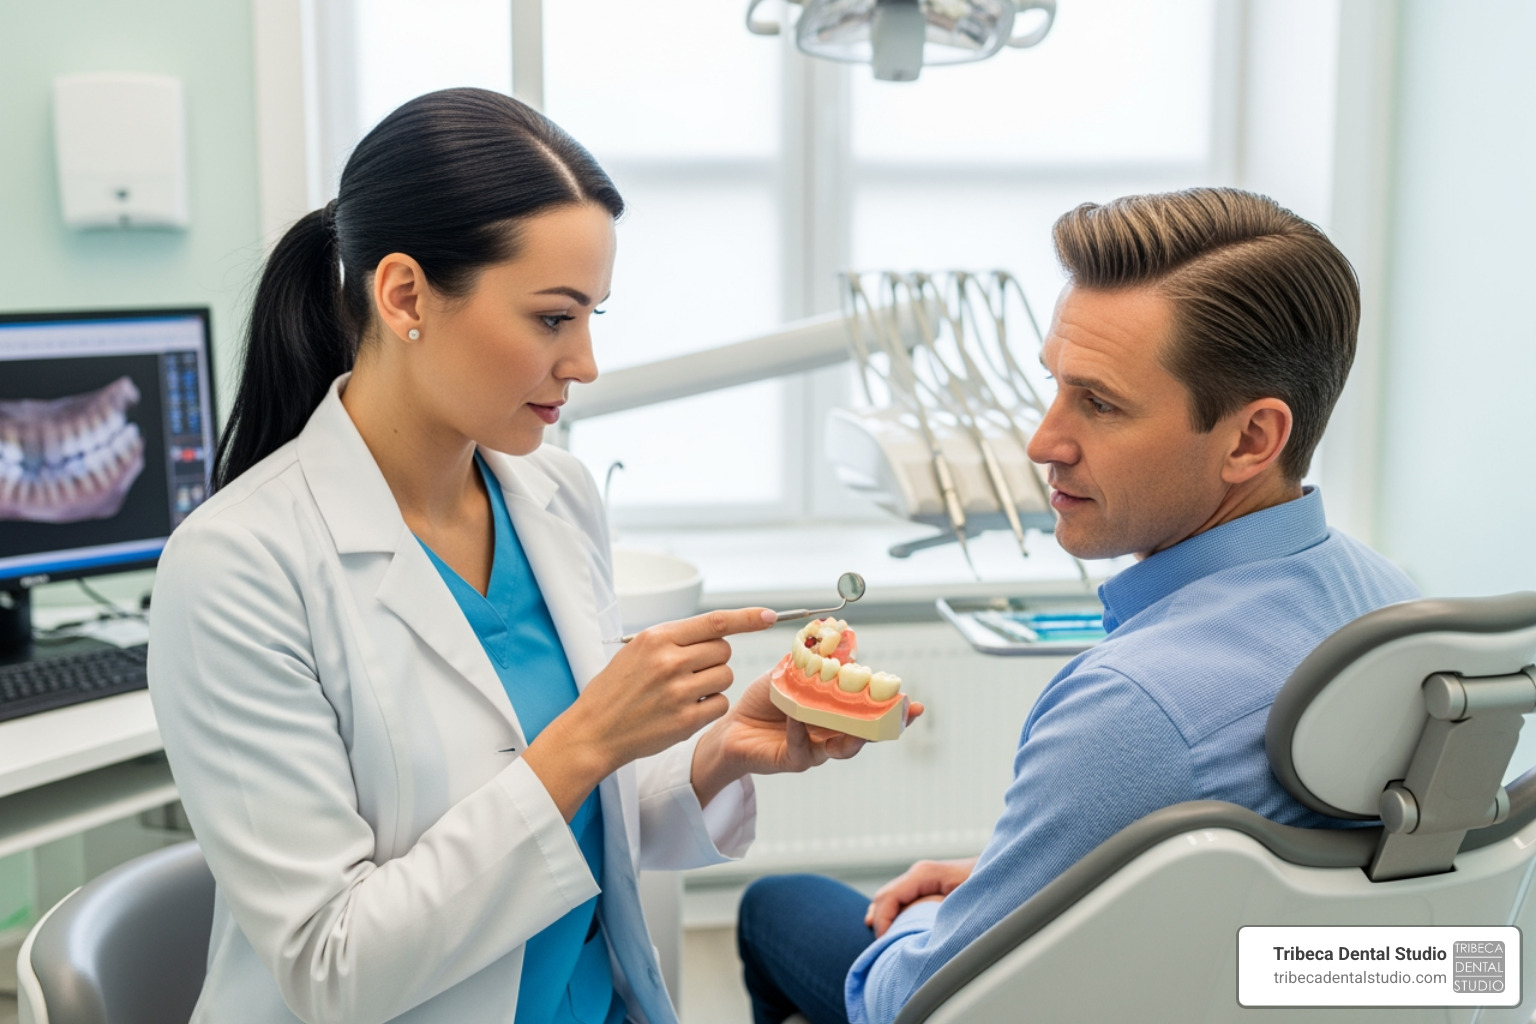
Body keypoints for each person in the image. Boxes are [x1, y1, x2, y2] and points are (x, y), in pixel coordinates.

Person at [147, 88, 879, 1024]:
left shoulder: (555, 495)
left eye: (593, 317)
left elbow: (581, 824)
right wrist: (589, 738)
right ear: (404, 295)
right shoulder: (237, 566)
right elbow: (334, 968)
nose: (585, 363)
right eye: (552, 319)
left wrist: (718, 755)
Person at [735, 187, 1421, 1024]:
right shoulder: (1400, 612)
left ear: (1250, 439)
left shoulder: (1135, 704)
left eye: (1099, 403)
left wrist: (934, 921)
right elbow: (1406, 950)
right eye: (1054, 386)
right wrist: (1027, 885)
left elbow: (920, 1006)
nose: (1042, 441)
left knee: (776, 906)